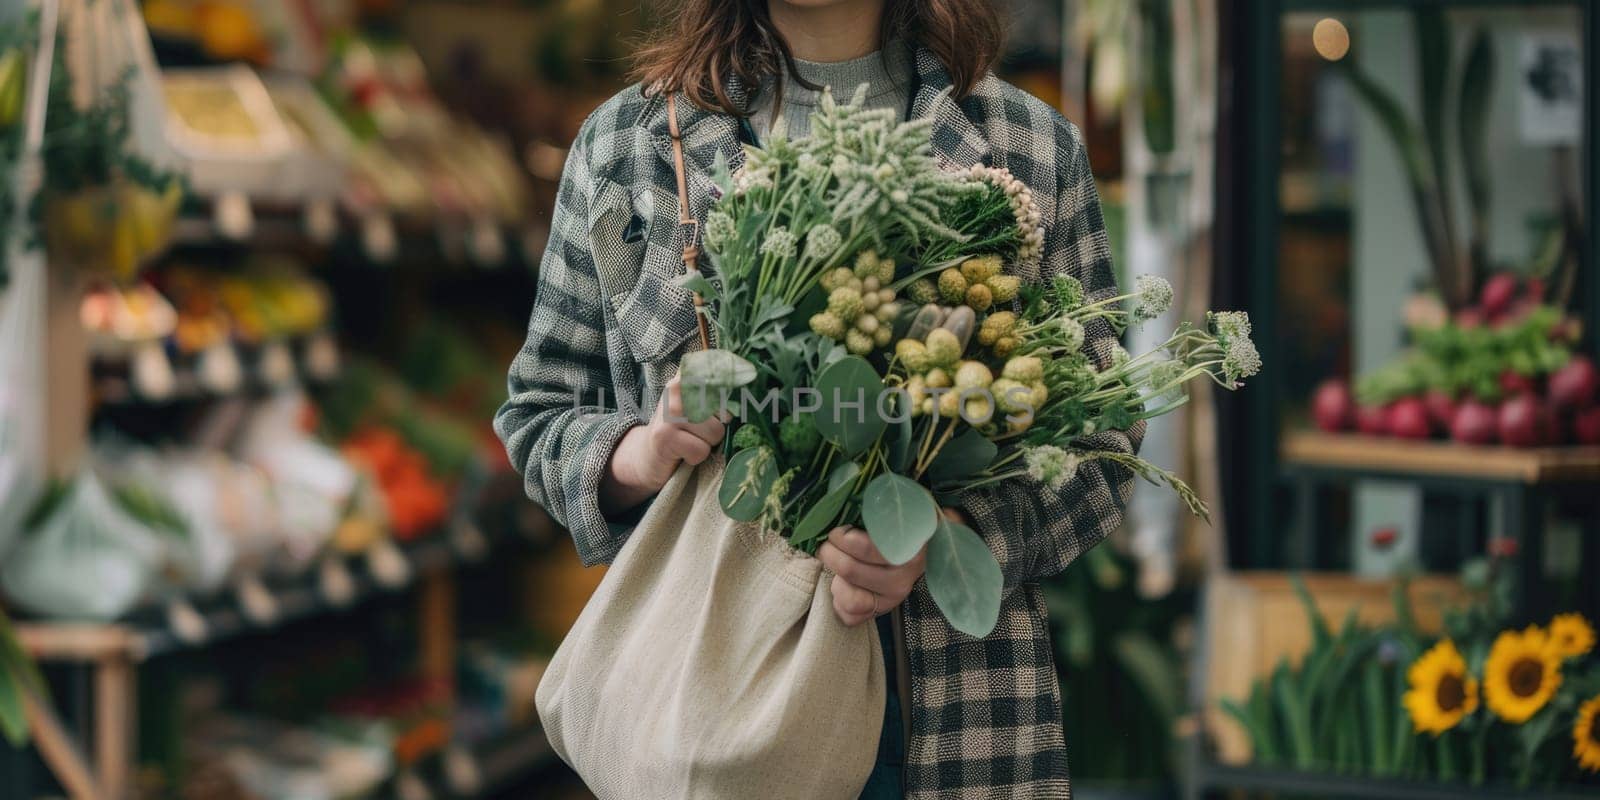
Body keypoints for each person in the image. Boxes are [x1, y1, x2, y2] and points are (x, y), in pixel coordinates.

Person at [494, 1, 1142, 796]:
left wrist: (950, 539)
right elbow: (540, 411)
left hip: (958, 730)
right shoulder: (627, 145)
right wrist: (647, 448)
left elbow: (1104, 442)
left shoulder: (1028, 145)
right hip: (712, 711)